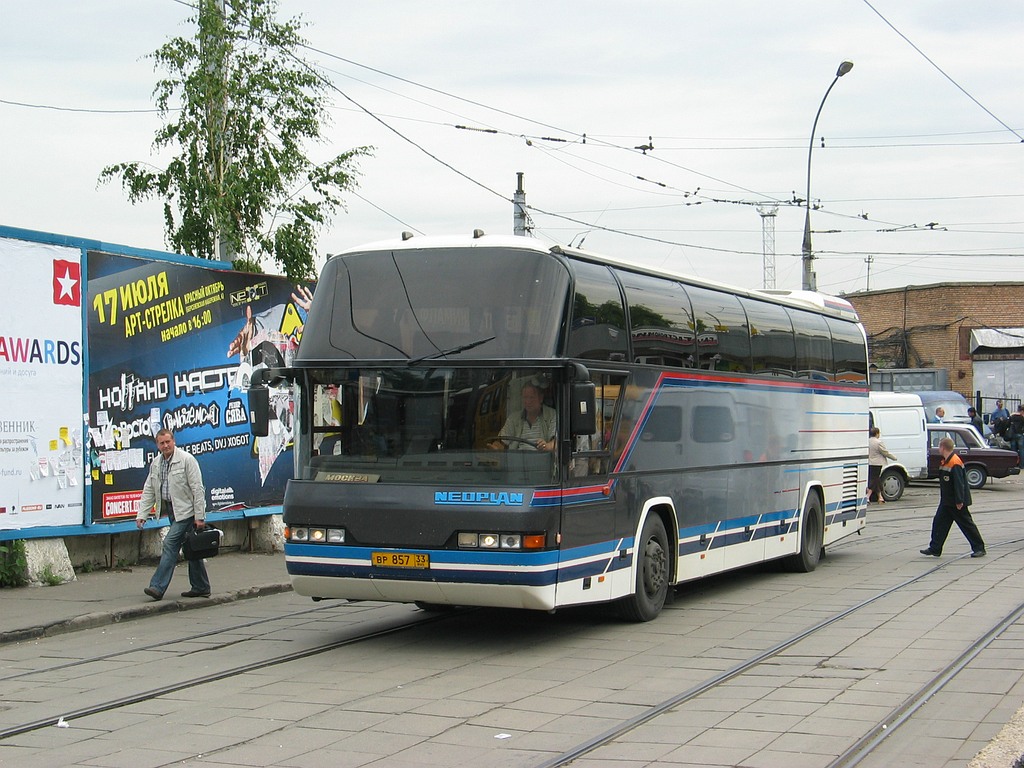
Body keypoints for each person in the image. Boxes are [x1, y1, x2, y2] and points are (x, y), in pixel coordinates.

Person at [136, 428, 211, 600]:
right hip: (171, 509)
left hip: (187, 512)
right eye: (161, 443)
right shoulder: (156, 463)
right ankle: (201, 586)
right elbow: (149, 489)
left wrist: (200, 516)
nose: (165, 445)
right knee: (191, 548)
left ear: (174, 441)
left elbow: (198, 489)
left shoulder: (186, 460)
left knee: (170, 543)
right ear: (157, 445)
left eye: (168, 442)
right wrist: (142, 514)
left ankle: (157, 587)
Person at [920, 436, 985, 558]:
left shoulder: (954, 462)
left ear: (943, 447)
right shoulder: (946, 461)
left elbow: (959, 483)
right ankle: (935, 548)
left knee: (966, 524)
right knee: (939, 523)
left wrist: (959, 500)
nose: (938, 448)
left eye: (939, 446)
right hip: (947, 501)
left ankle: (979, 547)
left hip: (956, 502)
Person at [490, 382, 557, 452]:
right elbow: (501, 442)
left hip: (543, 461)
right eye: (525, 397)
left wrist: (546, 446)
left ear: (541, 398)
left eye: (531, 397)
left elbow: (557, 443)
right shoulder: (513, 419)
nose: (528, 401)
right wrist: (495, 447)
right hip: (517, 461)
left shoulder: (552, 415)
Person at [867, 427, 897, 503]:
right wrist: (893, 458)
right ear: (877, 433)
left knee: (876, 479)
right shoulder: (878, 442)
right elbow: (885, 452)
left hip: (869, 462)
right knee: (875, 480)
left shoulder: (868, 441)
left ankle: (880, 497)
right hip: (877, 463)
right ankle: (867, 496)